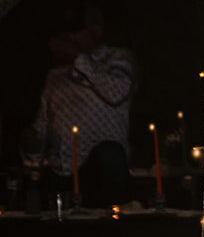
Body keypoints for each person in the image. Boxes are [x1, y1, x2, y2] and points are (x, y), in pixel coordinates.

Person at [24, 14, 137, 209]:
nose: (68, 38)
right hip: (61, 173)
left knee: (109, 154)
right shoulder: (55, 75)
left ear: (96, 30)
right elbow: (42, 126)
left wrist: (79, 58)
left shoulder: (118, 59)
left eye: (73, 31)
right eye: (63, 34)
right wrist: (32, 144)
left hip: (101, 171)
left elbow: (116, 93)